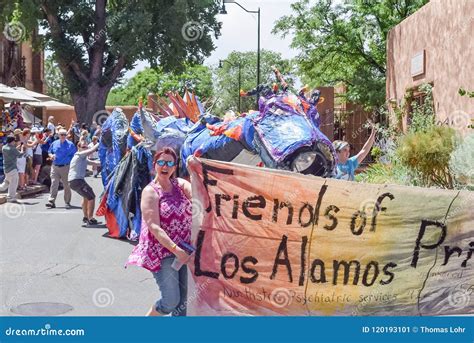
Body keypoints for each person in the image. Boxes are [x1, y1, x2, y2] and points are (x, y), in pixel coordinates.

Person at [127, 147, 192, 316]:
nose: (165, 166)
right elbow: (154, 227)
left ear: (175, 166)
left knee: (184, 303)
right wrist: (177, 251)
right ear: (154, 164)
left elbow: (197, 193)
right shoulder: (150, 191)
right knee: (171, 301)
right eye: (161, 162)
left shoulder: (180, 184)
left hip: (185, 248)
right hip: (162, 252)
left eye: (169, 163)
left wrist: (197, 168)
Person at [68, 141, 100, 225]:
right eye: (83, 147)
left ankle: (85, 217)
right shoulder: (79, 155)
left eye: (86, 147)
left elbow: (95, 163)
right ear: (79, 148)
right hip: (77, 180)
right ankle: (91, 218)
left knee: (86, 197)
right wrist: (100, 142)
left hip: (75, 181)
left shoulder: (83, 158)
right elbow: (92, 150)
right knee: (91, 196)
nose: (85, 148)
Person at [46, 128, 77, 209]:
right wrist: (51, 156)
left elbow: (74, 155)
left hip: (65, 167)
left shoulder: (70, 145)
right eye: (61, 134)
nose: (63, 136)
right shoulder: (54, 143)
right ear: (58, 135)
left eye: (64, 134)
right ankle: (51, 201)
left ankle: (67, 202)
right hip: (55, 166)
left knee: (66, 185)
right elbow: (49, 151)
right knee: (54, 183)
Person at [0, 135, 24, 202]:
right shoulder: (13, 149)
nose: (15, 142)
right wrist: (22, 148)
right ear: (12, 141)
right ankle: (11, 197)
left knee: (6, 182)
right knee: (13, 183)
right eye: (14, 141)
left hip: (6, 168)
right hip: (12, 169)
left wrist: (17, 147)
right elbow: (20, 155)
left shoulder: (4, 147)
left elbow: (12, 150)